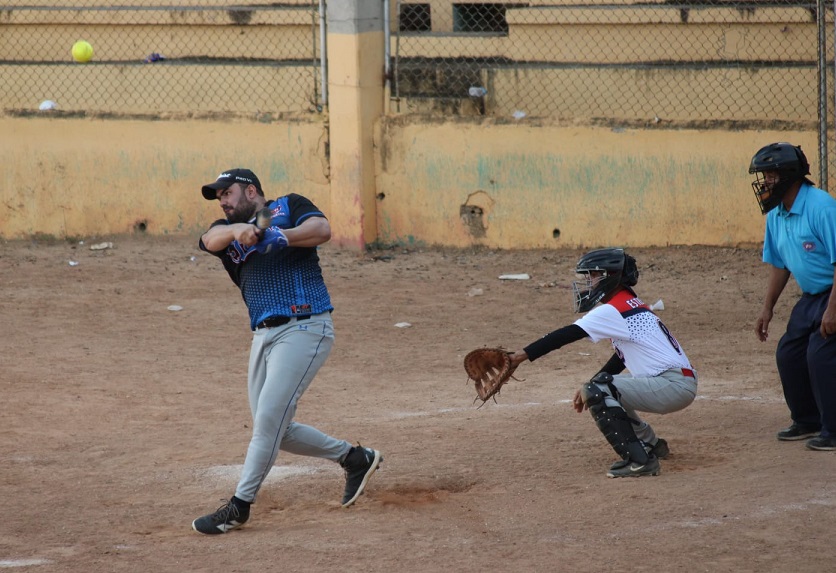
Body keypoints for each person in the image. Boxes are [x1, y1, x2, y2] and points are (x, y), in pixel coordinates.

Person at [191, 168, 383, 535]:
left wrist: (282, 235)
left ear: (250, 190)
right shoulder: (226, 228)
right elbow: (210, 239)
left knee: (267, 423)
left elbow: (322, 230)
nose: (222, 200)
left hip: (305, 325)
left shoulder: (289, 206)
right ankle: (355, 458)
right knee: (277, 426)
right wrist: (236, 230)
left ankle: (238, 507)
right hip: (262, 337)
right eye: (218, 197)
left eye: (226, 193)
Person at [508, 248, 697, 477]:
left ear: (611, 276)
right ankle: (652, 444)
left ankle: (639, 461)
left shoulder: (614, 309)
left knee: (598, 390)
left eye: (593, 276)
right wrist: (595, 381)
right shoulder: (631, 303)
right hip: (677, 382)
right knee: (601, 385)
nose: (589, 282)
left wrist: (519, 356)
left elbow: (568, 334)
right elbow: (621, 357)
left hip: (672, 386)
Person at [749, 142, 836, 451]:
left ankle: (833, 429)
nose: (764, 183)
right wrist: (767, 308)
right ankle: (807, 419)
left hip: (833, 293)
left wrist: (832, 309)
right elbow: (780, 264)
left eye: (770, 175)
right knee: (789, 353)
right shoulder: (776, 214)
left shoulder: (821, 207)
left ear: (789, 175)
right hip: (812, 296)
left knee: (821, 354)